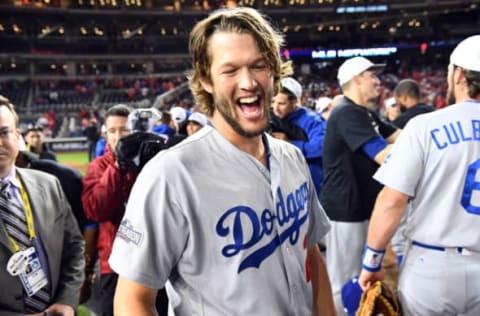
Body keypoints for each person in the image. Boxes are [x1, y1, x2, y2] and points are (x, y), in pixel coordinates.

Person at [109, 7, 335, 316]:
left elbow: (311, 257)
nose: (248, 82)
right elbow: (132, 300)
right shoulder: (171, 174)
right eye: (230, 71)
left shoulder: (292, 157)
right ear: (206, 80)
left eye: (259, 66)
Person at [358, 35, 480, 315]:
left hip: (433, 268)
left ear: (458, 74)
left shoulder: (424, 126)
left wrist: (371, 263)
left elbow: (392, 200)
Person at [320, 56, 401, 315]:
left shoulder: (363, 112)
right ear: (356, 80)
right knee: (344, 279)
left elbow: (400, 136)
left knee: (361, 277)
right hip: (346, 210)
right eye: (372, 76)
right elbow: (383, 154)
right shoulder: (346, 113)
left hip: (361, 207)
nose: (378, 81)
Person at [0, 95, 85, 315]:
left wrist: (67, 300)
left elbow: (74, 245)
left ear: (17, 137)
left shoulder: (48, 184)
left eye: (4, 132)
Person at [272, 77, 326, 195]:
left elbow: (321, 147)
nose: (275, 108)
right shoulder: (271, 120)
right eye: (273, 102)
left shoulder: (312, 121)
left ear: (295, 102)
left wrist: (290, 144)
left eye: (281, 103)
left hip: (311, 182)